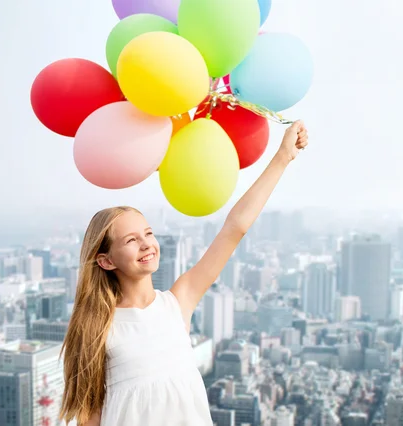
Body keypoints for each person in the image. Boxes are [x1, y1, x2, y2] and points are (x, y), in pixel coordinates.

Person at [60, 120, 309, 426]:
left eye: (148, 233)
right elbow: (89, 415)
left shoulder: (178, 302)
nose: (146, 244)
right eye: (130, 240)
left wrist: (283, 157)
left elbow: (236, 228)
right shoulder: (96, 325)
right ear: (106, 261)